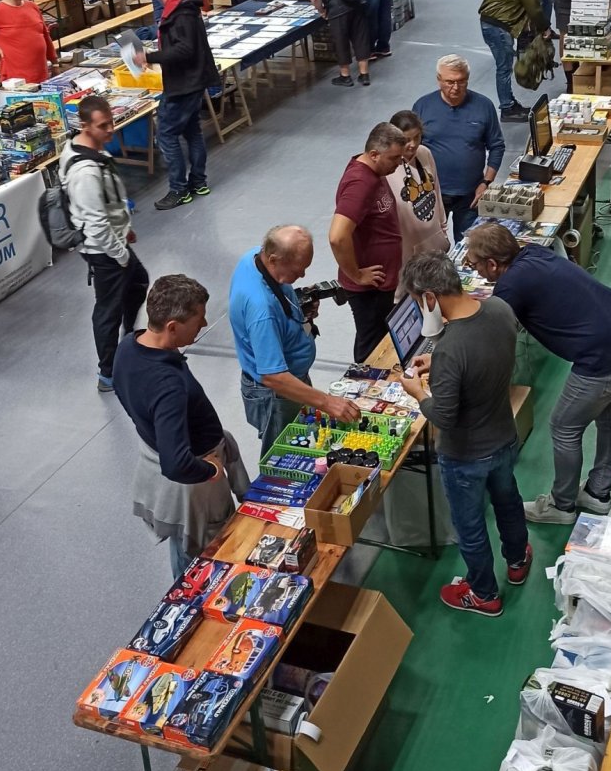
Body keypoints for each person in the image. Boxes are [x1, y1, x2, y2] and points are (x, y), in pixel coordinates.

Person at [466, 223, 611, 524]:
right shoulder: (533, 253)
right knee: (609, 417)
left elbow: (491, 336)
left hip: (606, 360)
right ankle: (598, 492)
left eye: (474, 263)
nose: (473, 269)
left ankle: (561, 506)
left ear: (492, 264)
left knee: (564, 427)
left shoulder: (510, 286)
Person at [399, 253, 531, 617]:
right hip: (504, 436)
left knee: (470, 525)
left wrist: (419, 393)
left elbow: (444, 415)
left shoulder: (451, 347)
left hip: (466, 456)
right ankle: (518, 560)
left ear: (429, 297)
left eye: (418, 301)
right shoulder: (500, 308)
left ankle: (484, 593)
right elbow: (485, 353)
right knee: (508, 501)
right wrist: (441, 363)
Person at [112, 274, 249, 580]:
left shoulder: (129, 346)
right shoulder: (167, 386)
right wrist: (210, 470)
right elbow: (176, 464)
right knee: (204, 554)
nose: (204, 324)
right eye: (198, 319)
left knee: (185, 546)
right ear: (172, 326)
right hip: (197, 490)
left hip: (164, 456)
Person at [229, 225, 360, 454]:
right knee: (283, 456)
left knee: (303, 442)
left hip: (290, 381)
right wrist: (327, 402)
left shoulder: (255, 257)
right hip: (275, 393)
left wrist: (298, 310)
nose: (302, 275)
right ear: (273, 259)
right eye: (298, 270)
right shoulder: (261, 309)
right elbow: (273, 376)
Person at [59, 95, 149, 394]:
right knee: (108, 310)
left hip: (114, 241)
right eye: (102, 126)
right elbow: (96, 224)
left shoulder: (92, 149)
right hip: (104, 251)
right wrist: (121, 255)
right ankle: (108, 373)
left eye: (111, 122)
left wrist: (125, 228)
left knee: (138, 282)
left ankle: (127, 337)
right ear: (85, 126)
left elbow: (108, 204)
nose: (110, 129)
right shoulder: (84, 173)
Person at [140, 0, 220, 209]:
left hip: (184, 83)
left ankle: (179, 189)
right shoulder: (183, 5)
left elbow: (184, 49)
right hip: (191, 79)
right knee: (192, 130)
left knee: (166, 134)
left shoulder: (179, 12)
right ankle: (198, 182)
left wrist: (149, 57)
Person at [329, 123, 406, 361]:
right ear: (374, 154)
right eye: (394, 158)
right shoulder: (360, 183)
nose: (399, 163)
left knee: (378, 337)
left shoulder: (374, 173)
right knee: (371, 347)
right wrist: (356, 275)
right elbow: (337, 236)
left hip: (381, 282)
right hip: (369, 288)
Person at [412, 55, 505, 241]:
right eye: (449, 82)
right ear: (439, 79)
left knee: (470, 246)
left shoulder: (483, 106)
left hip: (471, 195)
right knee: (433, 247)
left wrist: (486, 183)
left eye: (461, 81)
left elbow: (497, 146)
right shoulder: (422, 107)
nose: (455, 87)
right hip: (433, 194)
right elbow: (411, 150)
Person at [478, 0, 556, 121]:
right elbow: (533, 7)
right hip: (497, 24)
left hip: (497, 21)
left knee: (504, 66)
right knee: (504, 68)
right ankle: (507, 109)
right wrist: (545, 28)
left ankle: (509, 102)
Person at [387, 111, 449, 291]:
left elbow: (436, 192)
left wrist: (443, 231)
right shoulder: (388, 167)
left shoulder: (425, 153)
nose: (413, 144)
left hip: (435, 246)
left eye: (417, 137)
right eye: (407, 140)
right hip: (407, 256)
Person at [0, 0, 57, 85]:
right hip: (16, 81)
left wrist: (55, 64)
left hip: (42, 75)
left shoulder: (32, 7)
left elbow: (46, 36)